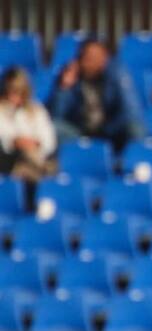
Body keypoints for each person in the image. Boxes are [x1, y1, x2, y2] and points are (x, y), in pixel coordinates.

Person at [47, 38, 144, 152]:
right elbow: (56, 115)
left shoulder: (117, 75)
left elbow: (130, 111)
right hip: (80, 132)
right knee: (54, 127)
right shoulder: (71, 76)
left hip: (110, 132)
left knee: (134, 128)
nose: (89, 62)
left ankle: (127, 163)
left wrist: (107, 130)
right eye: (87, 57)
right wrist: (64, 87)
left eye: (96, 57)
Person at [0, 67, 58, 211]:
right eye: (10, 90)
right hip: (11, 162)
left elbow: (48, 140)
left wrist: (33, 143)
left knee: (33, 157)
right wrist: (19, 142)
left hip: (36, 156)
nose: (14, 95)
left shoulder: (37, 110)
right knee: (25, 162)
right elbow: (7, 137)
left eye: (18, 90)